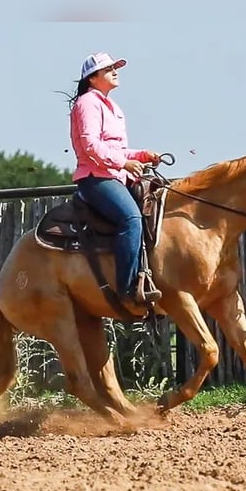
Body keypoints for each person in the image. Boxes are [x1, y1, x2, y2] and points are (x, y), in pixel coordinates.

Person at [67, 52, 163, 306]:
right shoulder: (87, 103)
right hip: (95, 178)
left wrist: (142, 155)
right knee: (131, 218)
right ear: (93, 78)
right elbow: (90, 146)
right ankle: (128, 287)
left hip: (115, 175)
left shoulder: (112, 107)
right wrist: (124, 162)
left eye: (114, 67)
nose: (115, 71)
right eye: (108, 68)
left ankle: (150, 274)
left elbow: (118, 150)